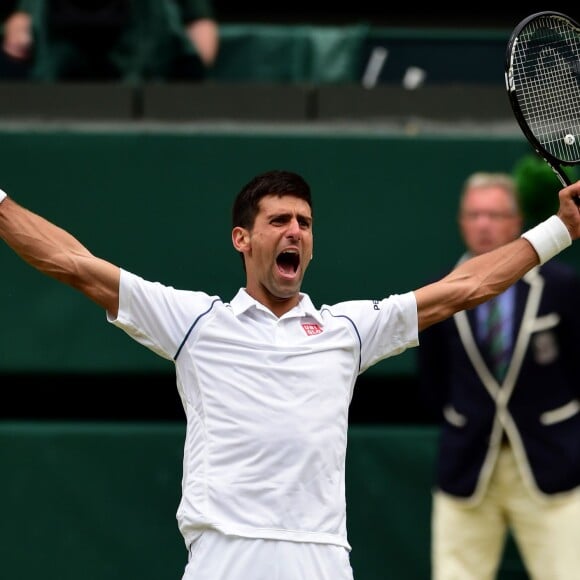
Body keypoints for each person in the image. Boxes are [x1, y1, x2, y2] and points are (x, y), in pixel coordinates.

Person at [0, 169, 579, 580]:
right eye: (279, 220)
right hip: (225, 555)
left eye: (303, 221)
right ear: (242, 239)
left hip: (322, 556)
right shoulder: (196, 323)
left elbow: (465, 287)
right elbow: (73, 264)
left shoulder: (348, 330)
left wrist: (560, 229)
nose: (295, 230)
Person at [416, 171, 580, 580]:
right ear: (461, 223)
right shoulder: (437, 292)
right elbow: (432, 382)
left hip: (553, 466)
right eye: (474, 215)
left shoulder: (562, 286)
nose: (484, 224)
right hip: (467, 467)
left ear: (516, 221)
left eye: (494, 214)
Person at [0, 0, 219, 82]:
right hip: (58, 74)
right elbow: (21, 24)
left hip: (143, 70)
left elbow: (199, 24)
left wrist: (189, 77)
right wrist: (20, 27)